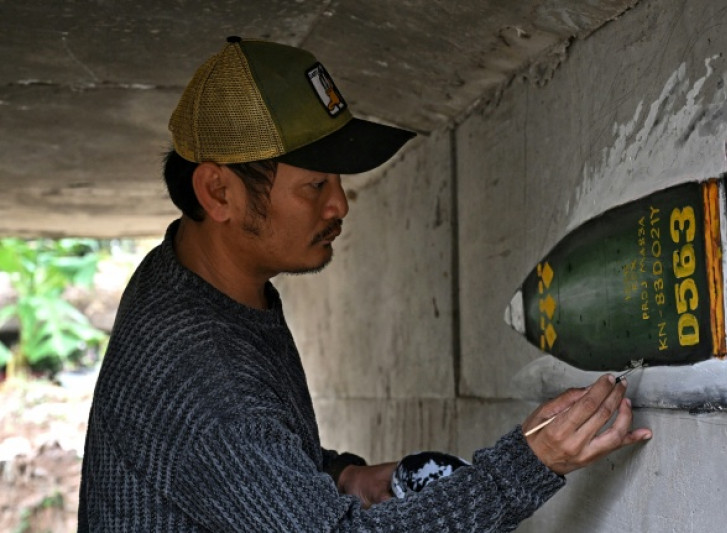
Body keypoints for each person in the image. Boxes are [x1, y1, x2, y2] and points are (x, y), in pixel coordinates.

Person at [78, 36, 652, 532]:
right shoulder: (196, 368)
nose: (339, 204)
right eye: (314, 185)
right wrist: (531, 463)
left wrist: (344, 476)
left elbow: (244, 456)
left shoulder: (198, 277)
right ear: (218, 192)